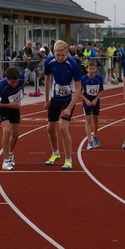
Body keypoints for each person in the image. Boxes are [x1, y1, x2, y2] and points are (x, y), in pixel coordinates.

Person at [43, 40, 83, 170]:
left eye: (63, 55)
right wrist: (46, 99)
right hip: (55, 97)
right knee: (50, 128)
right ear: (54, 52)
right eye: (57, 55)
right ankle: (55, 153)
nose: (60, 58)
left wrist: (70, 107)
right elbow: (48, 78)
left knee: (63, 129)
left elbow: (78, 88)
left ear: (67, 52)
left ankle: (68, 159)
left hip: (68, 98)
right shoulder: (49, 62)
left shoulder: (73, 64)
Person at [0, 66, 25, 171]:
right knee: (7, 131)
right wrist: (9, 105)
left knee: (15, 134)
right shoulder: (1, 86)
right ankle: (5, 161)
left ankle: (10, 154)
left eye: (16, 82)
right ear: (7, 79)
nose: (14, 84)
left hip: (14, 107)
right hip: (2, 108)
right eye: (12, 82)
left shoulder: (22, 78)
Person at [81, 59, 104, 150]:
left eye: (93, 68)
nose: (92, 70)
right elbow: (79, 92)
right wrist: (86, 100)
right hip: (87, 102)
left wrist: (96, 99)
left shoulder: (98, 78)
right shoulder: (83, 79)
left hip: (95, 102)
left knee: (96, 119)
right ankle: (89, 141)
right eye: (90, 69)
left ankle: (95, 137)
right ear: (87, 69)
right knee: (88, 120)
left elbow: (101, 90)